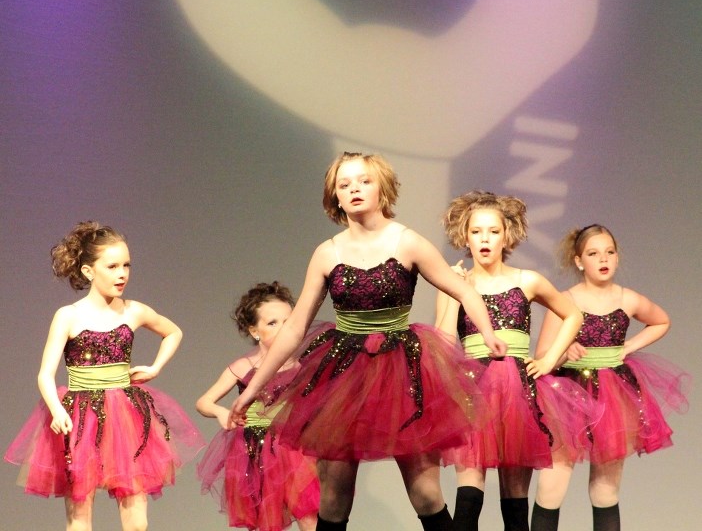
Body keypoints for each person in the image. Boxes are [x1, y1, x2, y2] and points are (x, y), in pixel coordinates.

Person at [230, 152, 508, 531]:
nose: (354, 189)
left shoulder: (407, 242)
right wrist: (251, 391)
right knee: (335, 492)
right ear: (335, 198)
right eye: (344, 185)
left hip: (403, 372)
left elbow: (464, 290)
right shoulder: (327, 253)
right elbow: (295, 329)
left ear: (382, 187)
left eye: (363, 181)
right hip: (344, 376)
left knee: (425, 492)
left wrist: (488, 332)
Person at [4, 221, 204, 531]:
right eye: (112, 266)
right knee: (80, 520)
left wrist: (155, 367)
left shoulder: (133, 311)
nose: (122, 273)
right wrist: (57, 410)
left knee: (137, 522)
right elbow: (45, 374)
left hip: (126, 416)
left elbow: (173, 332)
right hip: (80, 418)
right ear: (88, 271)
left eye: (126, 265)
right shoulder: (68, 315)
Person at [435, 191, 599, 531]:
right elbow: (444, 340)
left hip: (517, 393)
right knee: (468, 498)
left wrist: (550, 358)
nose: (485, 239)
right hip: (471, 389)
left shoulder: (527, 281)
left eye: (493, 231)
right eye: (477, 231)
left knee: (514, 501)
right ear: (464, 235)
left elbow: (573, 315)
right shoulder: (454, 284)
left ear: (506, 235)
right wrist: (454, 290)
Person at [531, 224, 690, 531]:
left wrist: (629, 345)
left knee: (606, 489)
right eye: (593, 253)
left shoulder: (627, 299)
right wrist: (564, 351)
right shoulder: (565, 301)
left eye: (609, 252)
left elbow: (660, 321)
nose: (603, 259)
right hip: (569, 396)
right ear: (579, 261)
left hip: (612, 397)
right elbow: (544, 357)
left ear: (617, 257)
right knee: (552, 485)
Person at [196, 281, 319, 531]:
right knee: (265, 520)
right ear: (254, 331)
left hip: (295, 449)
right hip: (254, 452)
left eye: (288, 321)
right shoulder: (244, 366)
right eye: (272, 323)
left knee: (309, 516)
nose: (283, 329)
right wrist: (220, 412)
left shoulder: (303, 363)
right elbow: (203, 402)